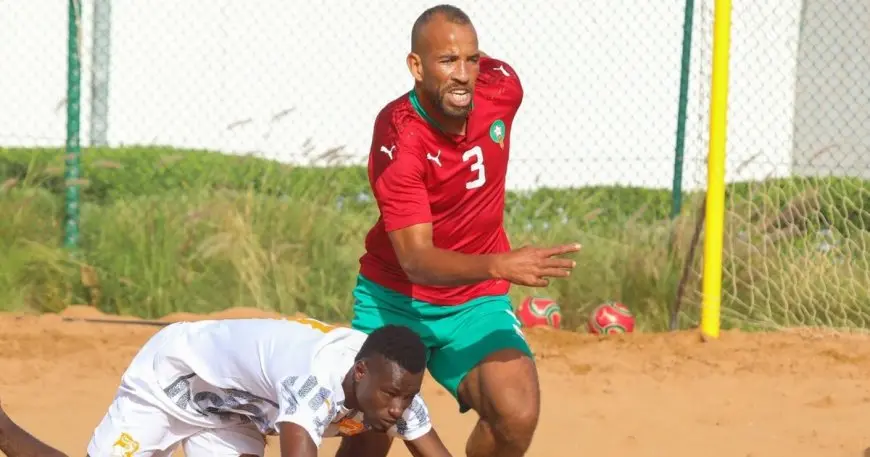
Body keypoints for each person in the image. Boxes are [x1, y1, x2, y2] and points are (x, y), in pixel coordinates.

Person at [344, 4, 581, 457]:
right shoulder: (399, 135)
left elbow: (471, 63)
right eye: (447, 61)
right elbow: (416, 260)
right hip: (396, 297)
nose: (464, 74)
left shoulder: (503, 88)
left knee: (517, 413)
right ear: (416, 66)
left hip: (474, 300)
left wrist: (491, 270)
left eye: (470, 60)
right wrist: (498, 263)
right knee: (369, 439)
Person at [0, 319, 454, 457]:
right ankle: (4, 430)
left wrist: (399, 405)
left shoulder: (394, 386)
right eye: (391, 395)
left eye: (407, 397)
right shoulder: (310, 382)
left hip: (236, 413)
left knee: (378, 434)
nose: (399, 408)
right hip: (176, 379)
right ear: (359, 373)